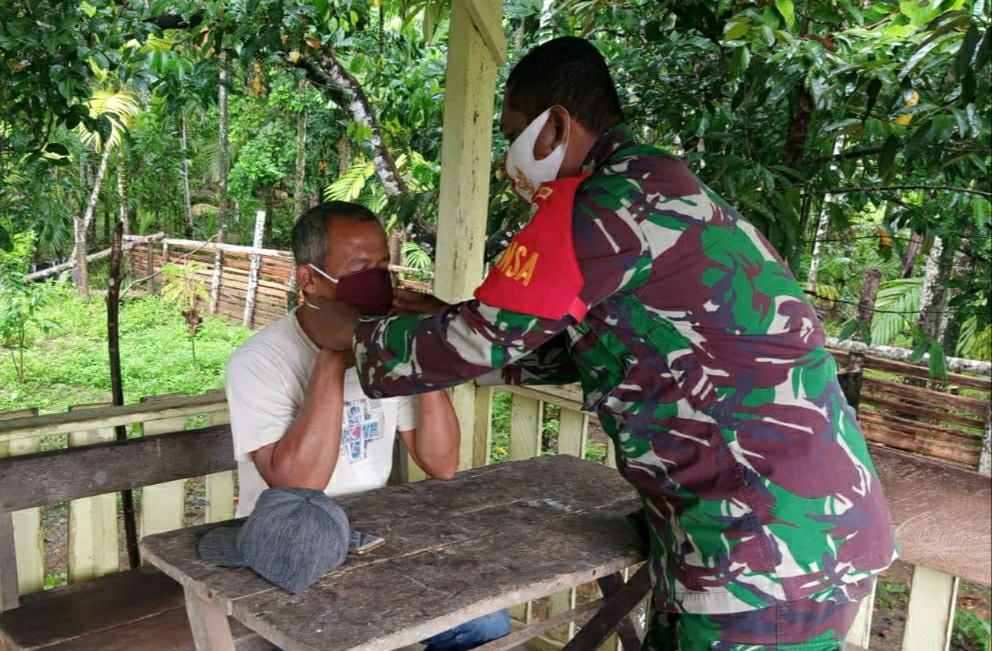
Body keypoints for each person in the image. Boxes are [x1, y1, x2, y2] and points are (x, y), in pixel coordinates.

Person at [307, 37, 898, 650]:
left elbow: (486, 339)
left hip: (762, 544)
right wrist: (455, 324)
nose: (508, 156)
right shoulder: (654, 185)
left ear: (556, 125)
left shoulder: (605, 203)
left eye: (512, 135)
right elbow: (587, 344)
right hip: (782, 524)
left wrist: (357, 336)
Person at [225, 201, 511, 651]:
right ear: (309, 279)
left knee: (486, 623)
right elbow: (298, 485)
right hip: (290, 546)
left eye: (383, 265)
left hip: (373, 540)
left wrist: (419, 351)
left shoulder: (385, 343)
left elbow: (442, 463)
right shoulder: (260, 361)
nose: (379, 280)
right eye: (360, 268)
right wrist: (335, 353)